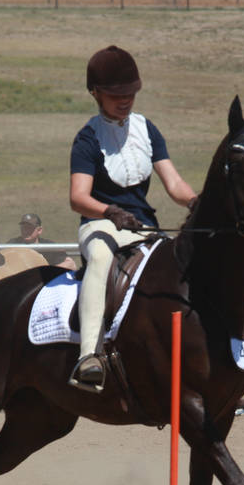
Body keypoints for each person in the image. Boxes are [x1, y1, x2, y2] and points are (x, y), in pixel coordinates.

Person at [68, 45, 197, 392]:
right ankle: (89, 356)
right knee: (99, 258)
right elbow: (78, 198)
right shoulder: (87, 139)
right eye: (115, 94)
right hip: (100, 225)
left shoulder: (147, 130)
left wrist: (196, 201)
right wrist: (110, 211)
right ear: (95, 93)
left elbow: (174, 184)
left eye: (130, 93)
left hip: (142, 227)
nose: (124, 100)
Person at [4, 213, 77, 270]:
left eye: (29, 228)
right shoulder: (13, 244)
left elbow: (71, 264)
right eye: (23, 228)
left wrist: (46, 272)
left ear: (39, 230)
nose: (25, 231)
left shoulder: (48, 247)